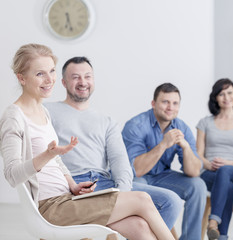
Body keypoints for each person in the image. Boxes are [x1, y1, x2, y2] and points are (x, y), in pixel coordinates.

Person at [0, 43, 174, 240]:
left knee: (139, 226)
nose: (50, 80)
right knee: (142, 199)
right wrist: (48, 154)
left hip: (67, 197)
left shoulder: (42, 111)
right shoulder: (14, 116)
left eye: (51, 71)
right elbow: (12, 175)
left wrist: (73, 185)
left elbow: (56, 162)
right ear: (21, 78)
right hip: (50, 208)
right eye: (40, 74)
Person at [44, 56, 182, 230]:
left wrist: (123, 194)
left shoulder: (106, 121)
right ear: (63, 82)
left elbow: (119, 159)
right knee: (141, 221)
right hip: (72, 184)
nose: (83, 82)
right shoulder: (48, 111)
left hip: (104, 184)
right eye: (75, 77)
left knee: (171, 201)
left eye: (87, 76)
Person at [122, 83, 207, 240]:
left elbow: (194, 171)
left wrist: (186, 148)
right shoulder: (135, 126)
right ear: (153, 104)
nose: (170, 107)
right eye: (165, 102)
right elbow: (137, 169)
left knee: (198, 185)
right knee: (141, 192)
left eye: (175, 103)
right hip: (137, 178)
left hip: (163, 176)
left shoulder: (182, 127)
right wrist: (163, 144)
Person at [196, 78, 233, 240]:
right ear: (215, 97)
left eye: (230, 93)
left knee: (225, 171)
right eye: (222, 94)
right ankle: (220, 234)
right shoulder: (205, 123)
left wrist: (227, 164)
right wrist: (208, 164)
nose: (227, 97)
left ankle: (214, 220)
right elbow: (198, 154)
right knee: (226, 186)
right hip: (209, 173)